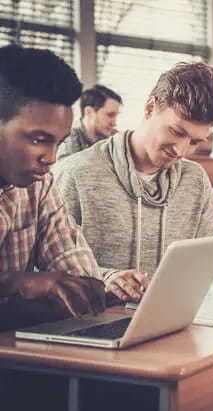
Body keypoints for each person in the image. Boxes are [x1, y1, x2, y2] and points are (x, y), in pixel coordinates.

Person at [54, 62, 213, 303]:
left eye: (195, 141)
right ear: (150, 107)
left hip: (168, 319)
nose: (181, 150)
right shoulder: (76, 173)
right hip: (93, 324)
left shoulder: (193, 179)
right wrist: (107, 277)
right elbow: (52, 270)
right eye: (177, 132)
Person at [0, 45, 105, 332]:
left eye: (58, 142)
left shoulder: (40, 184)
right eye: (38, 139)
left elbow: (81, 278)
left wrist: (82, 287)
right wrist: (13, 284)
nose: (51, 158)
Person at [56, 84, 122, 160]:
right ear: (89, 112)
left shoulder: (107, 139)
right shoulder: (68, 138)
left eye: (116, 116)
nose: (114, 123)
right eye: (110, 115)